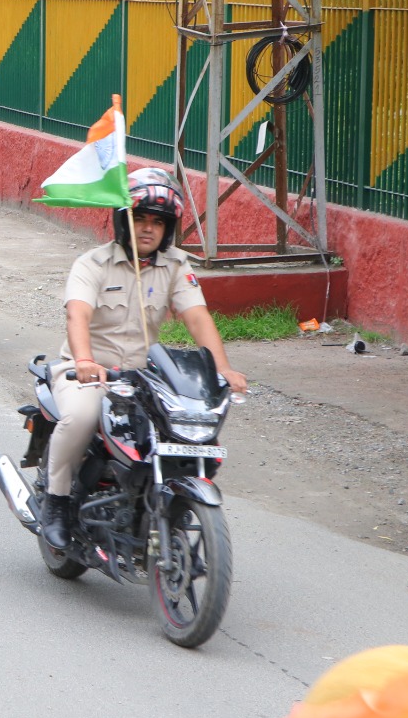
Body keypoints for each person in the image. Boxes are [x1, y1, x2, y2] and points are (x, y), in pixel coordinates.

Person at [36, 168, 249, 549]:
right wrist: (84, 361)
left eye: (157, 221)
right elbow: (78, 315)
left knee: (182, 430)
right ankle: (57, 502)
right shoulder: (93, 264)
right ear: (123, 220)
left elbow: (198, 317)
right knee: (82, 416)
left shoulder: (176, 267)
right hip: (87, 373)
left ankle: (162, 501)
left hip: (143, 379)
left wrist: (222, 369)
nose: (148, 228)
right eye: (140, 218)